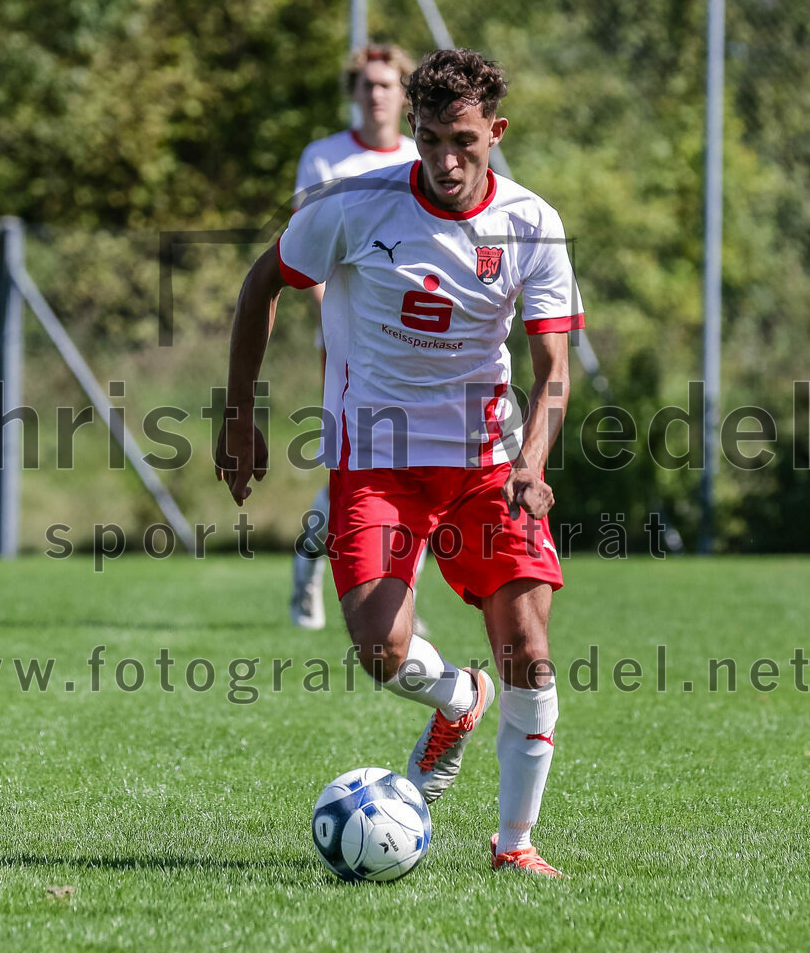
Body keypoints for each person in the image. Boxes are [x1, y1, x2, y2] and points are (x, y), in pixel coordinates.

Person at [216, 48, 584, 876]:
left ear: (496, 131)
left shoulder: (532, 224)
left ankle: (515, 845)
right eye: (428, 141)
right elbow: (260, 286)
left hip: (489, 463)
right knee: (382, 651)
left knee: (526, 646)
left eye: (463, 141)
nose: (445, 161)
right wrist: (239, 414)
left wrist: (531, 459)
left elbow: (554, 370)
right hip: (376, 461)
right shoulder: (350, 207)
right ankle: (458, 700)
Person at [289, 43, 421, 631]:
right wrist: (339, 326)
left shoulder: (424, 157)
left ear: (404, 93)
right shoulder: (325, 157)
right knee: (350, 471)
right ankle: (312, 572)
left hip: (414, 346)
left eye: (387, 84)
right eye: (366, 84)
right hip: (346, 344)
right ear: (354, 92)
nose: (375, 94)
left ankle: (396, 603)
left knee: (414, 467)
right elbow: (305, 254)